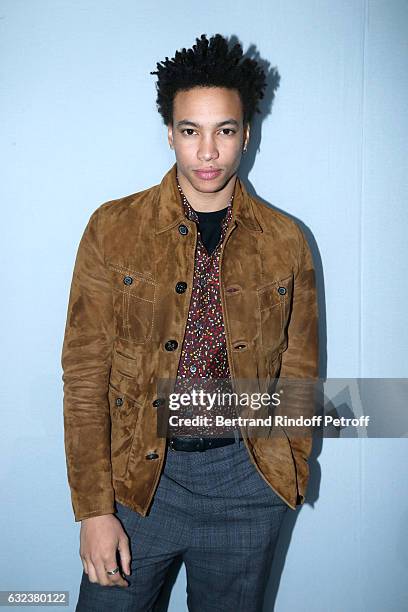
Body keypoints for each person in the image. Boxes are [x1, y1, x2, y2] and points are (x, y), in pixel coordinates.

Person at [61, 32, 319, 612]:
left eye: (224, 131)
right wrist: (94, 509)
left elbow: (299, 367)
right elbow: (83, 379)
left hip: (247, 482)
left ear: (246, 134)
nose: (208, 152)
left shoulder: (285, 242)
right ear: (170, 133)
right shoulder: (113, 228)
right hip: (137, 483)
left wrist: (290, 468)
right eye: (190, 131)